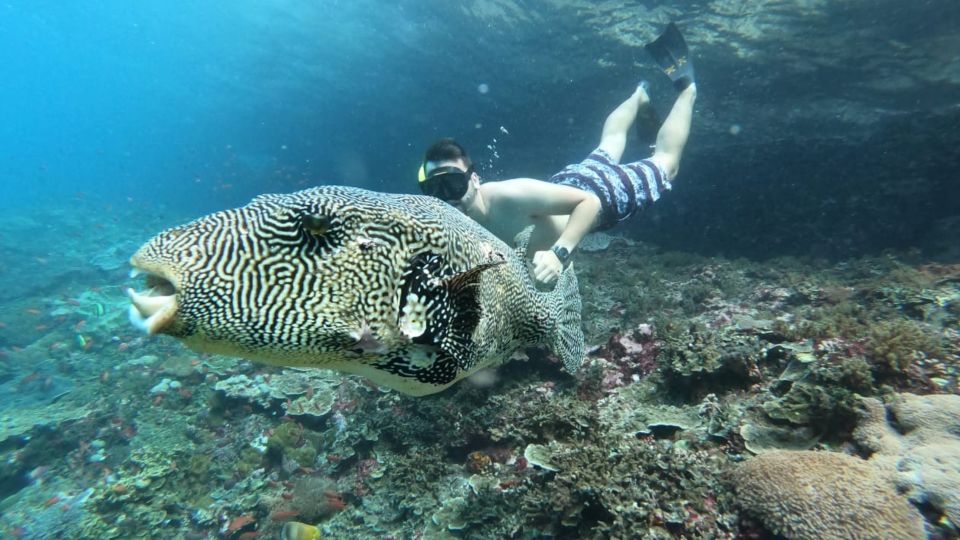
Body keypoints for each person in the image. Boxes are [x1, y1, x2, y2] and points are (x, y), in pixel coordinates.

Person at [418, 23, 697, 287]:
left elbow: (589, 202)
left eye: (453, 183)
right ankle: (639, 95)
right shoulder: (447, 225)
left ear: (474, 179)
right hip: (565, 185)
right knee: (608, 146)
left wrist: (559, 254)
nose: (447, 197)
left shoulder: (508, 195)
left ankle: (687, 88)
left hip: (600, 197)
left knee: (666, 164)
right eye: (435, 189)